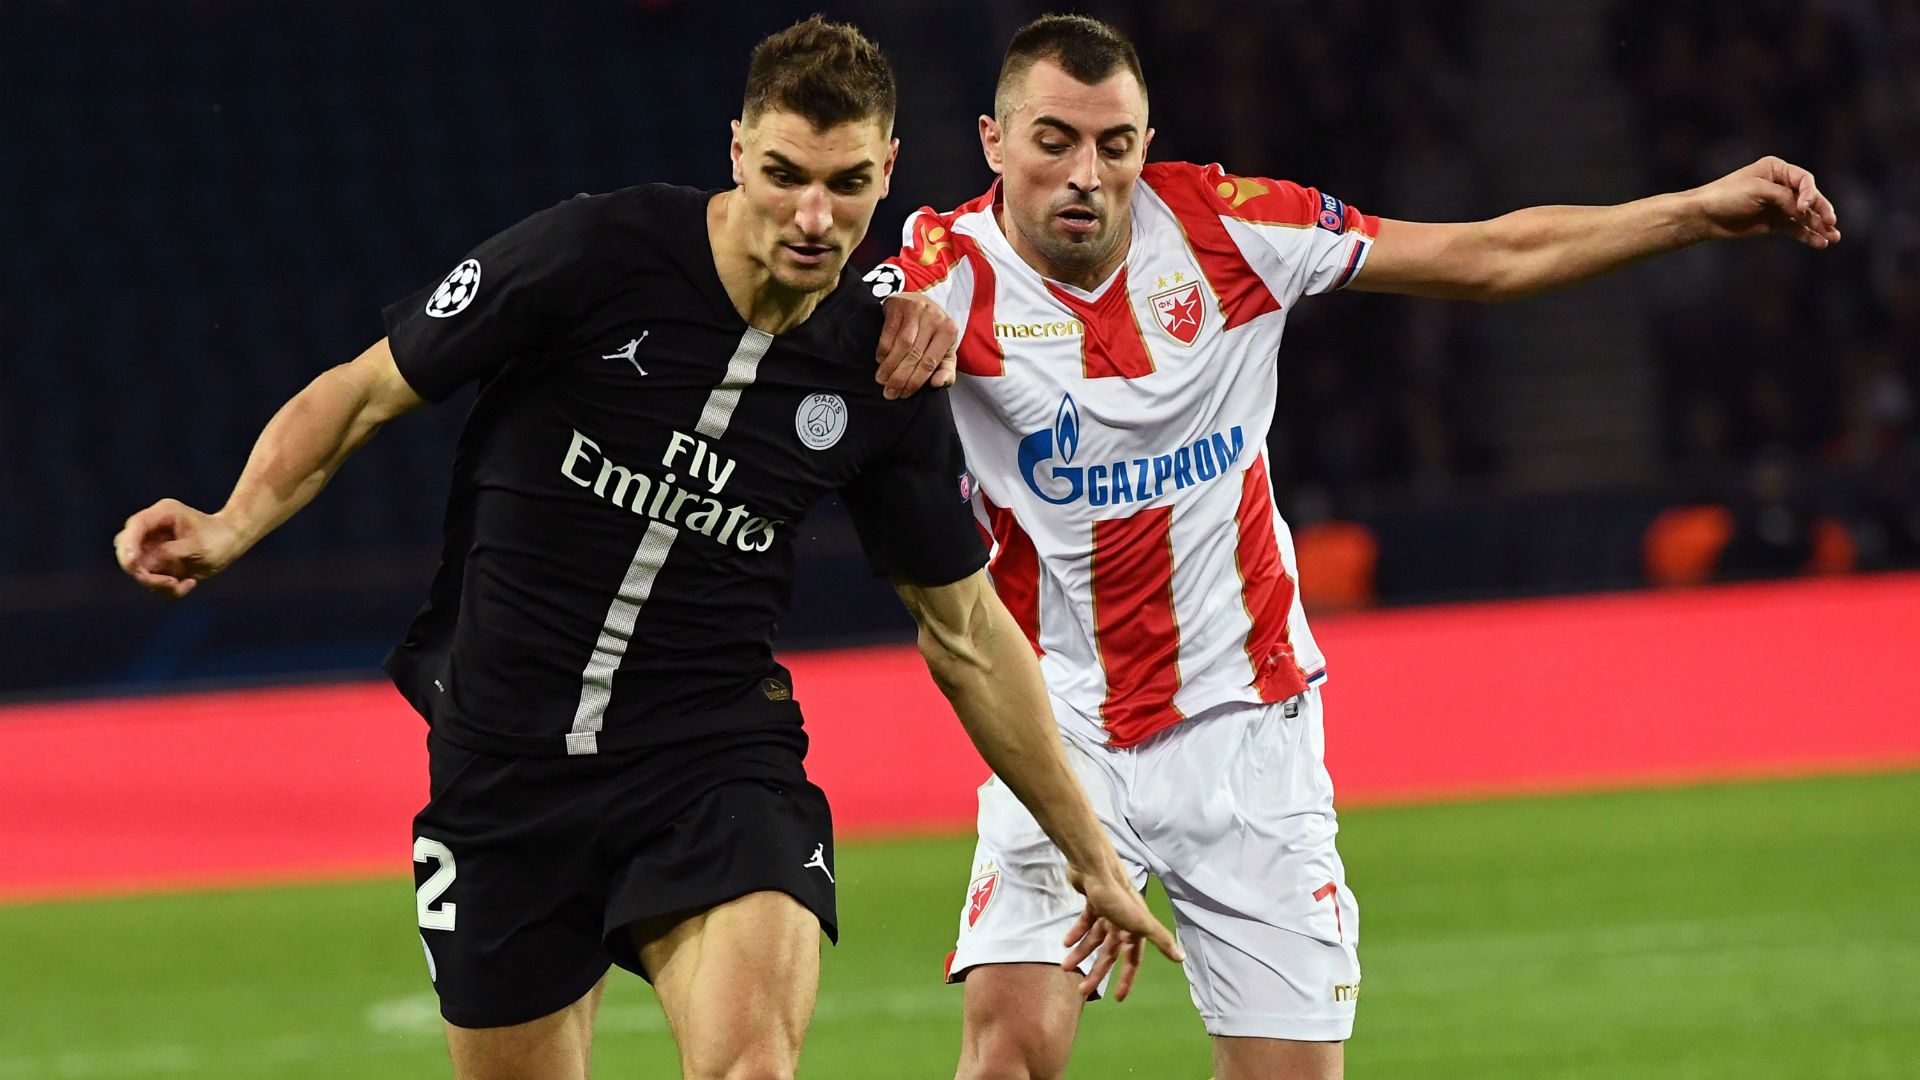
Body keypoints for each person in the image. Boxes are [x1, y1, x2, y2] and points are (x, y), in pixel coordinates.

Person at [112, 16, 1176, 1080]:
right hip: (502, 765)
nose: (814, 216)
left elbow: (968, 634)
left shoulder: (877, 374)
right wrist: (229, 522)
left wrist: (1089, 853)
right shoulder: (593, 255)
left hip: (712, 764)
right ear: (735, 152)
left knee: (748, 1068)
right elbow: (363, 394)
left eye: (848, 183)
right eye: (784, 175)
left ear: (888, 170)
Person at [866, 15, 1839, 1080]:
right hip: (1060, 725)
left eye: (1116, 144)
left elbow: (1483, 257)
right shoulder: (948, 267)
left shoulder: (1232, 229)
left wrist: (1694, 211)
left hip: (1250, 727)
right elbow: (863, 309)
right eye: (1053, 141)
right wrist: (890, 323)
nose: (1086, 173)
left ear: (1148, 143)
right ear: (994, 141)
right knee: (1011, 1049)